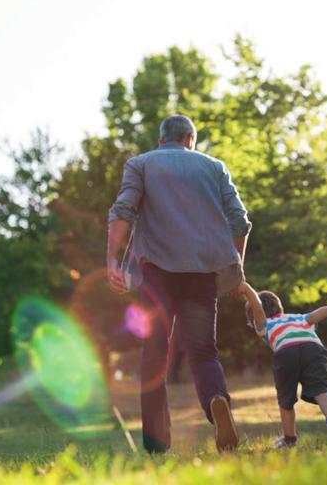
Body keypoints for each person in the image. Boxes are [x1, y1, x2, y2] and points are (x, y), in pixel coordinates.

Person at [106, 115, 251, 454]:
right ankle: (217, 400)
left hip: (155, 273)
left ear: (161, 141)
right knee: (203, 352)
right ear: (189, 139)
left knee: (155, 353)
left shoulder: (140, 164)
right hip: (201, 272)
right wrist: (236, 267)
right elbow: (239, 221)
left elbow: (123, 209)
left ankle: (157, 443)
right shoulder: (214, 167)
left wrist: (112, 260)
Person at [239, 281, 327, 449]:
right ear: (280, 308)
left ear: (253, 318)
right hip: (312, 347)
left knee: (286, 398)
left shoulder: (264, 325)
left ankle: (289, 439)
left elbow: (257, 308)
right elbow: (315, 315)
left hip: (285, 352)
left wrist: (247, 291)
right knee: (321, 389)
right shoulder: (298, 317)